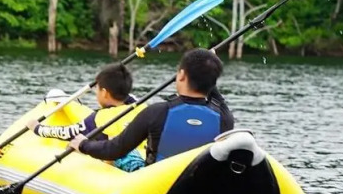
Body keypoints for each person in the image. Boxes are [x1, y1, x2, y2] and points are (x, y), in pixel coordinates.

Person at [68, 48, 235, 167]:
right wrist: (208, 68)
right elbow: (216, 95)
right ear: (214, 81)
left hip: (155, 186)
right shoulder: (224, 119)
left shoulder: (157, 112)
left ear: (182, 75)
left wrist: (84, 144)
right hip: (196, 183)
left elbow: (115, 149)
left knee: (125, 152)